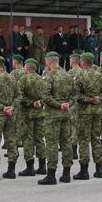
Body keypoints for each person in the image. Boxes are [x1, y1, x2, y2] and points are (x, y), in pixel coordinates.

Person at [37, 52, 74, 184]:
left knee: (52, 144)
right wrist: (67, 104)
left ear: (48, 62)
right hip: (65, 114)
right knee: (66, 143)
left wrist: (58, 105)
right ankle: (66, 173)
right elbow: (74, 95)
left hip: (52, 115)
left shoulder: (48, 76)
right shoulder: (68, 75)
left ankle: (51, 175)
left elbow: (45, 97)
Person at [73, 53, 102, 180]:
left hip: (85, 112)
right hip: (97, 111)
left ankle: (84, 170)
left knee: (84, 140)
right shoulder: (99, 75)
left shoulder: (80, 75)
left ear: (82, 62)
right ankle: (99, 169)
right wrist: (98, 99)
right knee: (96, 139)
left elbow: (76, 95)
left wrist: (89, 99)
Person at [17, 58, 46, 176]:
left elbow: (20, 97)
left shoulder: (23, 80)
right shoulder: (41, 80)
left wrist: (31, 103)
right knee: (39, 138)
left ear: (26, 68)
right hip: (39, 113)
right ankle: (42, 166)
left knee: (27, 139)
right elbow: (47, 95)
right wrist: (40, 102)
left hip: (27, 114)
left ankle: (30, 166)